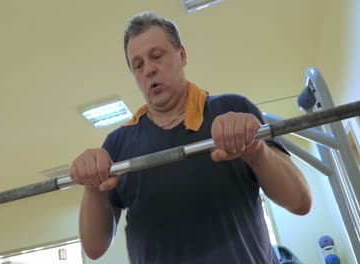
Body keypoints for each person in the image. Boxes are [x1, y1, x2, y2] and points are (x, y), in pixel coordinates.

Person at [69, 11, 312, 264]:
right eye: (138, 65)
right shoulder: (118, 144)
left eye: (156, 56)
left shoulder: (233, 109)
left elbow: (300, 202)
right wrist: (92, 186)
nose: (149, 70)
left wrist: (257, 152)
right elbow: (95, 249)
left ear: (182, 55)